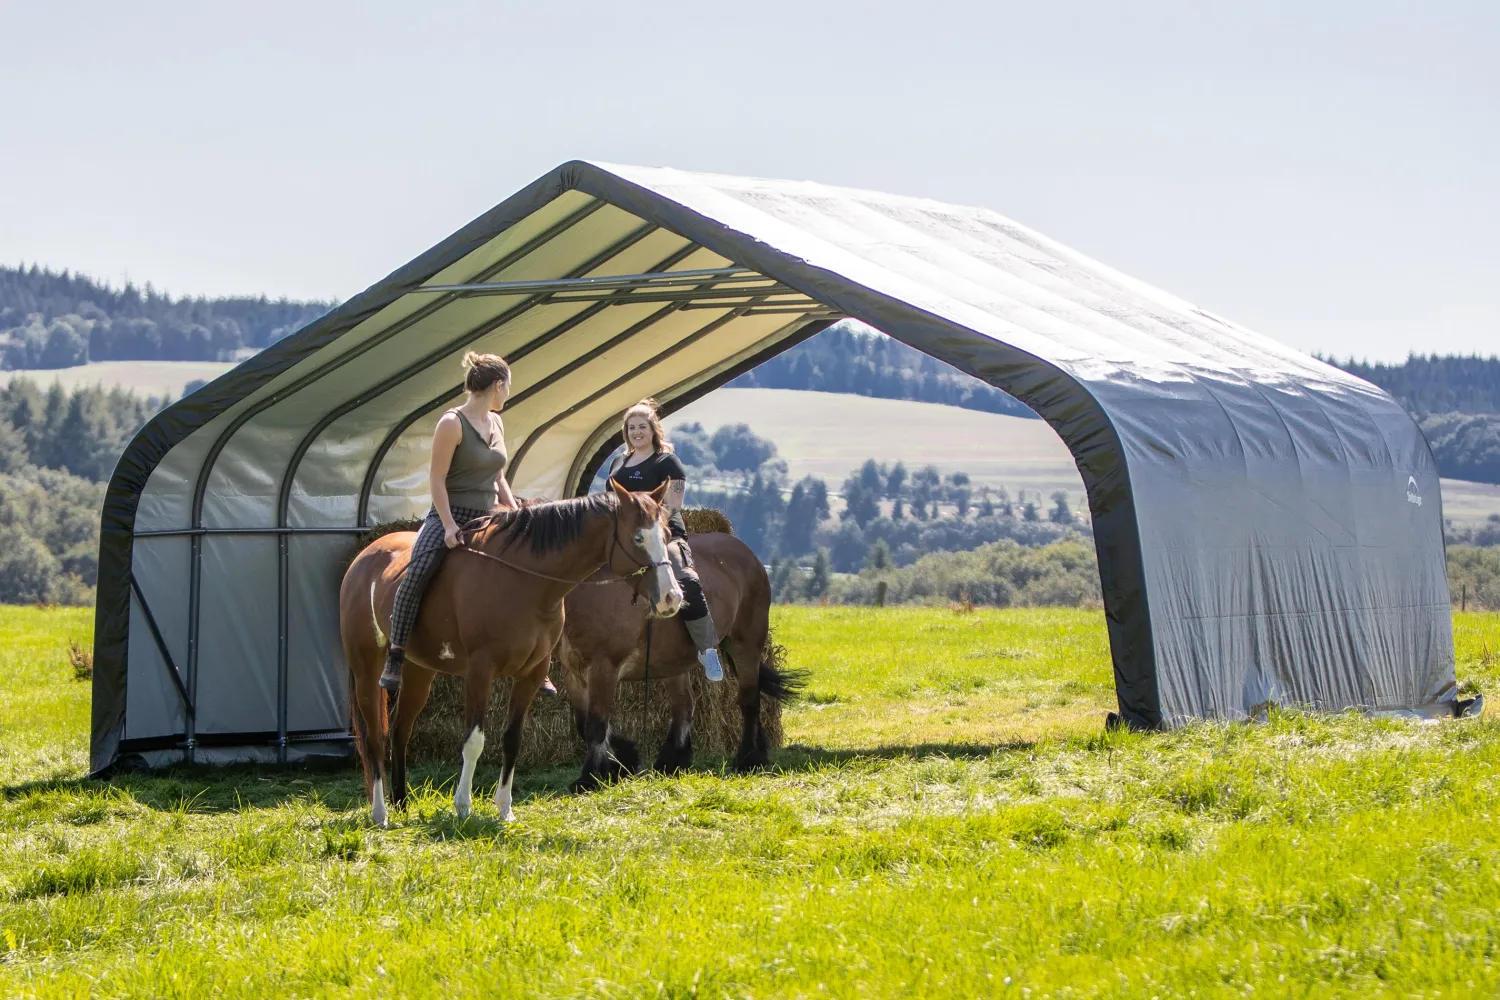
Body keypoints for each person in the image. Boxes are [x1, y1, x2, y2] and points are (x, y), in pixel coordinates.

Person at [380, 351, 554, 696]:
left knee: (534, 564)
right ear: (498, 385)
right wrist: (446, 525)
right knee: (417, 571)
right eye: (508, 388)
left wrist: (511, 505)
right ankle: (396, 654)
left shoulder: (497, 422)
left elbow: (498, 473)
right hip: (452, 514)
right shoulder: (451, 423)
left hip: (491, 514)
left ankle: (538, 659)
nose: (508, 395)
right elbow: (436, 480)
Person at [606, 399, 723, 681]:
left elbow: (672, 505)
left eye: (642, 427)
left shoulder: (667, 462)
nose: (636, 432)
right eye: (631, 427)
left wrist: (649, 528)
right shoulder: (618, 462)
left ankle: (707, 649)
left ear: (653, 430)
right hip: (623, 538)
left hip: (662, 534)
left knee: (687, 579)